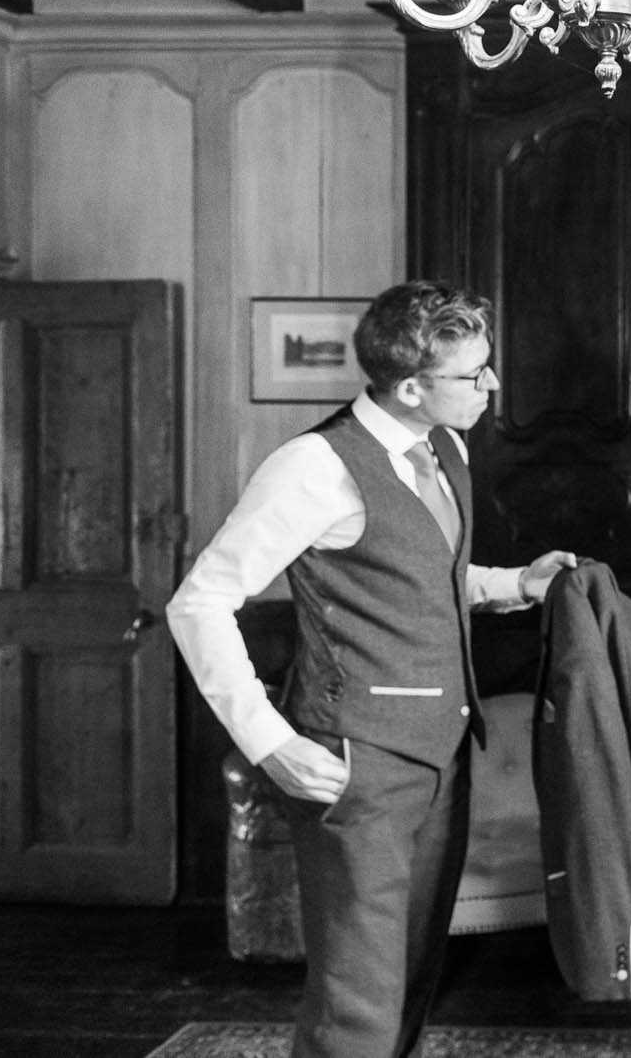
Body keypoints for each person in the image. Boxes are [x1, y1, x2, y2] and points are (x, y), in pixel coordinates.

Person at [167, 281, 576, 1057]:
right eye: (474, 374)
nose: (491, 387)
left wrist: (514, 583)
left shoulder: (444, 450)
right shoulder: (313, 467)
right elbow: (199, 602)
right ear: (412, 385)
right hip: (356, 764)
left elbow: (422, 577)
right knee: (358, 997)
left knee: (414, 977)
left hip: (444, 757)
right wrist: (269, 740)